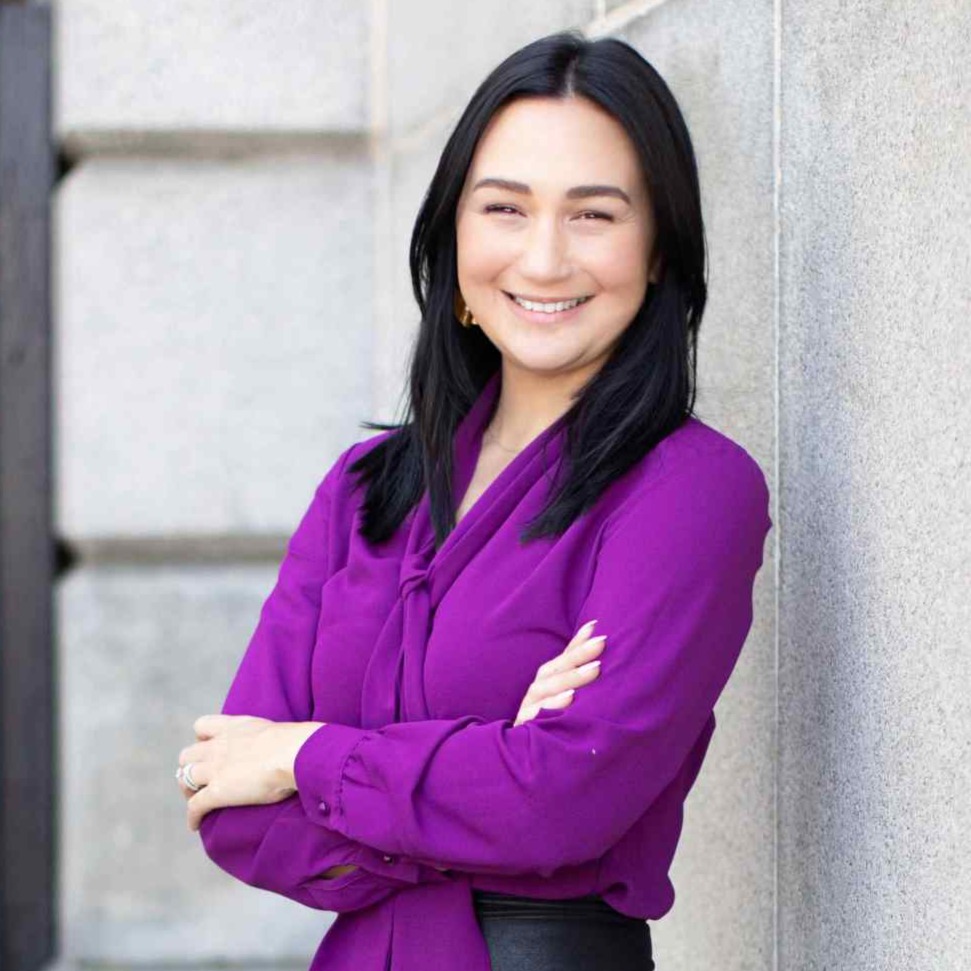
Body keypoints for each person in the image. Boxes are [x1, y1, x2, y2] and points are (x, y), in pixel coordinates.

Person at [174, 28, 771, 971]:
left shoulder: (691, 492)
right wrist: (483, 765)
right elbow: (230, 814)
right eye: (504, 208)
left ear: (659, 248)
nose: (542, 260)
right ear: (454, 235)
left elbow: (562, 798)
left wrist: (306, 757)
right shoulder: (363, 491)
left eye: (593, 215)